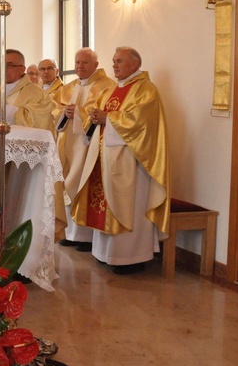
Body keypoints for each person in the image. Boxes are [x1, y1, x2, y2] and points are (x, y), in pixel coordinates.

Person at [71, 46, 170, 274]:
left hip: (131, 163)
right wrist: (94, 119)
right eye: (114, 61)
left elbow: (142, 123)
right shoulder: (112, 90)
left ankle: (131, 258)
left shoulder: (146, 90)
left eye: (120, 61)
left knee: (128, 206)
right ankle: (105, 253)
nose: (114, 65)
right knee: (105, 204)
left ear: (134, 64)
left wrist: (108, 118)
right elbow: (96, 119)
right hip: (105, 159)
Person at [55, 48, 116, 251]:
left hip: (87, 144)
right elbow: (53, 109)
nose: (80, 66)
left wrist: (79, 113)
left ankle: (85, 236)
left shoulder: (106, 86)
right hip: (67, 142)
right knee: (65, 182)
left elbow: (104, 112)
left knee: (83, 184)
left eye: (85, 63)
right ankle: (71, 233)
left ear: (96, 65)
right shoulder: (70, 86)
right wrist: (64, 112)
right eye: (77, 62)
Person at [0, 49, 56, 132]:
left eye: (9, 65)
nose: (4, 69)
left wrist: (3, 108)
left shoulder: (38, 94)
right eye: (2, 66)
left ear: (22, 69)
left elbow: (39, 122)